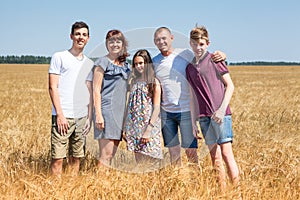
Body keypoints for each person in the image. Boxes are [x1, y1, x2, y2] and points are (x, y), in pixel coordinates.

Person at [152, 27, 226, 167]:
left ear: (171, 38)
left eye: (164, 38)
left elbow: (205, 57)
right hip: (167, 113)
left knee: (191, 152)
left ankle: (196, 182)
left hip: (186, 111)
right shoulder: (155, 61)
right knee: (173, 153)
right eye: (157, 40)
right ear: (154, 42)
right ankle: (178, 183)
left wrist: (222, 54)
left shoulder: (185, 54)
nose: (161, 42)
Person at [186, 26, 239, 190]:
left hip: (221, 114)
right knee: (214, 157)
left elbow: (230, 86)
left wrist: (222, 110)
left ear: (207, 43)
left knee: (226, 154)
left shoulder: (215, 60)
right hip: (203, 117)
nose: (198, 47)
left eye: (201, 44)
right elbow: (193, 97)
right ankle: (222, 192)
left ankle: (238, 193)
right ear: (190, 44)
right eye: (195, 44)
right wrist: (194, 122)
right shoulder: (189, 68)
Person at [48, 21, 94, 176]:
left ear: (88, 38)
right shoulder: (59, 57)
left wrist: (89, 117)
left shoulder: (89, 63)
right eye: (77, 34)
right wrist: (60, 115)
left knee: (76, 157)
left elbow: (89, 91)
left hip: (81, 116)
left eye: (84, 35)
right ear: (71, 36)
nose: (80, 37)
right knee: (58, 158)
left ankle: (71, 190)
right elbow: (52, 87)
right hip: (64, 115)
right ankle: (55, 191)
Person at [93, 29, 131, 168]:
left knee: (111, 154)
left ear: (123, 44)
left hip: (120, 113)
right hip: (106, 111)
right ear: (107, 44)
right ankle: (99, 186)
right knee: (106, 154)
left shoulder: (126, 66)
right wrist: (98, 115)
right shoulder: (102, 62)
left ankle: (104, 186)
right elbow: (96, 89)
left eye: (118, 41)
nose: (114, 44)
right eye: (111, 41)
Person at [124, 49, 163, 164]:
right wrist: (125, 126)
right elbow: (129, 105)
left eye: (141, 63)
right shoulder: (134, 82)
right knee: (139, 162)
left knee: (151, 160)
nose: (138, 66)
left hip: (149, 126)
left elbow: (156, 108)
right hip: (134, 126)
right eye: (136, 64)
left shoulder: (154, 82)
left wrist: (148, 130)